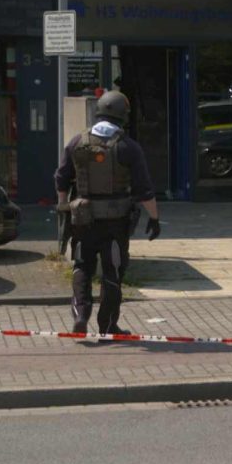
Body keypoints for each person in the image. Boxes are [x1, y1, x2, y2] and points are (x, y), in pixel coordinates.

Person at [55, 90, 161, 338]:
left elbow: (61, 177)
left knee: (82, 267)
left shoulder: (76, 143)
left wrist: (63, 207)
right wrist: (154, 219)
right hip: (115, 222)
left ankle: (81, 315)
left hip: (82, 220)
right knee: (113, 271)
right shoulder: (128, 147)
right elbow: (145, 190)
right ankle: (108, 325)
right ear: (123, 116)